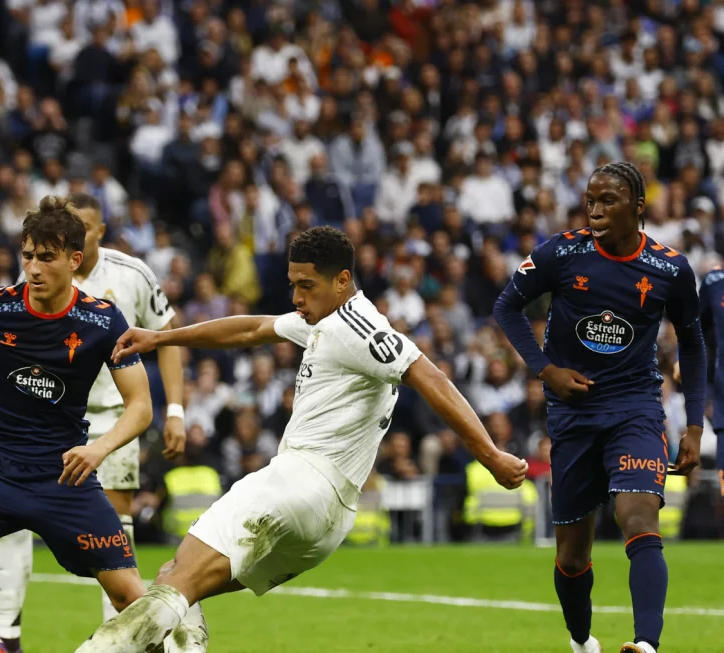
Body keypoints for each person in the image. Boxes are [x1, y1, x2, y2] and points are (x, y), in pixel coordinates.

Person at [75, 226, 528, 653]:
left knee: (177, 580)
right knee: (178, 580)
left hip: (297, 482)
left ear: (342, 280)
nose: (296, 297)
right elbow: (250, 329)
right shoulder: (322, 318)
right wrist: (162, 336)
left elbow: (430, 376)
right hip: (327, 522)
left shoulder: (359, 327)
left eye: (306, 285)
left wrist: (489, 454)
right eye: (293, 283)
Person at [0, 196, 199, 653]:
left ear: (73, 260)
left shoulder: (101, 319)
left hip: (65, 479)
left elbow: (140, 405)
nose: (34, 268)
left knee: (135, 604)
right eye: (27, 256)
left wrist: (98, 450)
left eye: (46, 257)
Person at [493, 161, 705, 653]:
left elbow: (693, 345)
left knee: (639, 519)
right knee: (570, 557)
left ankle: (645, 645)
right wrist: (546, 371)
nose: (594, 210)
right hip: (573, 415)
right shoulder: (562, 252)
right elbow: (507, 306)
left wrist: (694, 423)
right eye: (590, 200)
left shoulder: (669, 268)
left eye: (608, 201)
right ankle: (582, 640)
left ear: (637, 207)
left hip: (635, 408)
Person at [0, 192, 186, 653]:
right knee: (13, 522)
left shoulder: (132, 275)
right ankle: (7, 636)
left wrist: (175, 409)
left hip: (112, 423)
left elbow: (169, 337)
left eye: (83, 226)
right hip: (42, 422)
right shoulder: (38, 273)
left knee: (113, 535)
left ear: (98, 232)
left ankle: (118, 642)